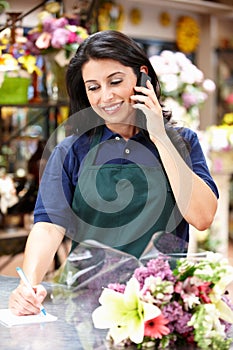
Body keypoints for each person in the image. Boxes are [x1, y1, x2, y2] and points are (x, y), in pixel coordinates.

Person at [9, 30, 218, 315]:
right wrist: (28, 286)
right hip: (88, 304)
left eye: (115, 81)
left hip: (161, 305)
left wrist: (158, 136)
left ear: (142, 75)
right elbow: (49, 225)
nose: (105, 96)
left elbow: (203, 217)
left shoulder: (183, 142)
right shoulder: (72, 150)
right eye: (93, 87)